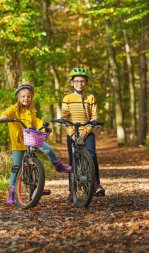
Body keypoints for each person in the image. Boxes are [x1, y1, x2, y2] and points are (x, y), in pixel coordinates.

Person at [0, 84, 72, 205]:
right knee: (16, 168)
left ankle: (58, 166)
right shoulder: (13, 109)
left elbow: (37, 121)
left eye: (28, 96)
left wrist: (43, 128)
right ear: (18, 97)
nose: (26, 99)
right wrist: (4, 117)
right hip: (18, 143)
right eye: (23, 96)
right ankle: (12, 193)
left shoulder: (30, 111)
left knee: (48, 149)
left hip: (31, 139)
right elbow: (5, 113)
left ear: (31, 98)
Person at [62, 67, 105, 202]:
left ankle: (96, 184)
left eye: (82, 81)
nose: (79, 84)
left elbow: (94, 116)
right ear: (72, 83)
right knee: (72, 161)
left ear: (86, 83)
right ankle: (72, 191)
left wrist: (85, 132)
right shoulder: (67, 98)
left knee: (91, 155)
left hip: (87, 132)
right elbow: (65, 118)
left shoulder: (90, 97)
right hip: (72, 132)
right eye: (76, 81)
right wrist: (73, 134)